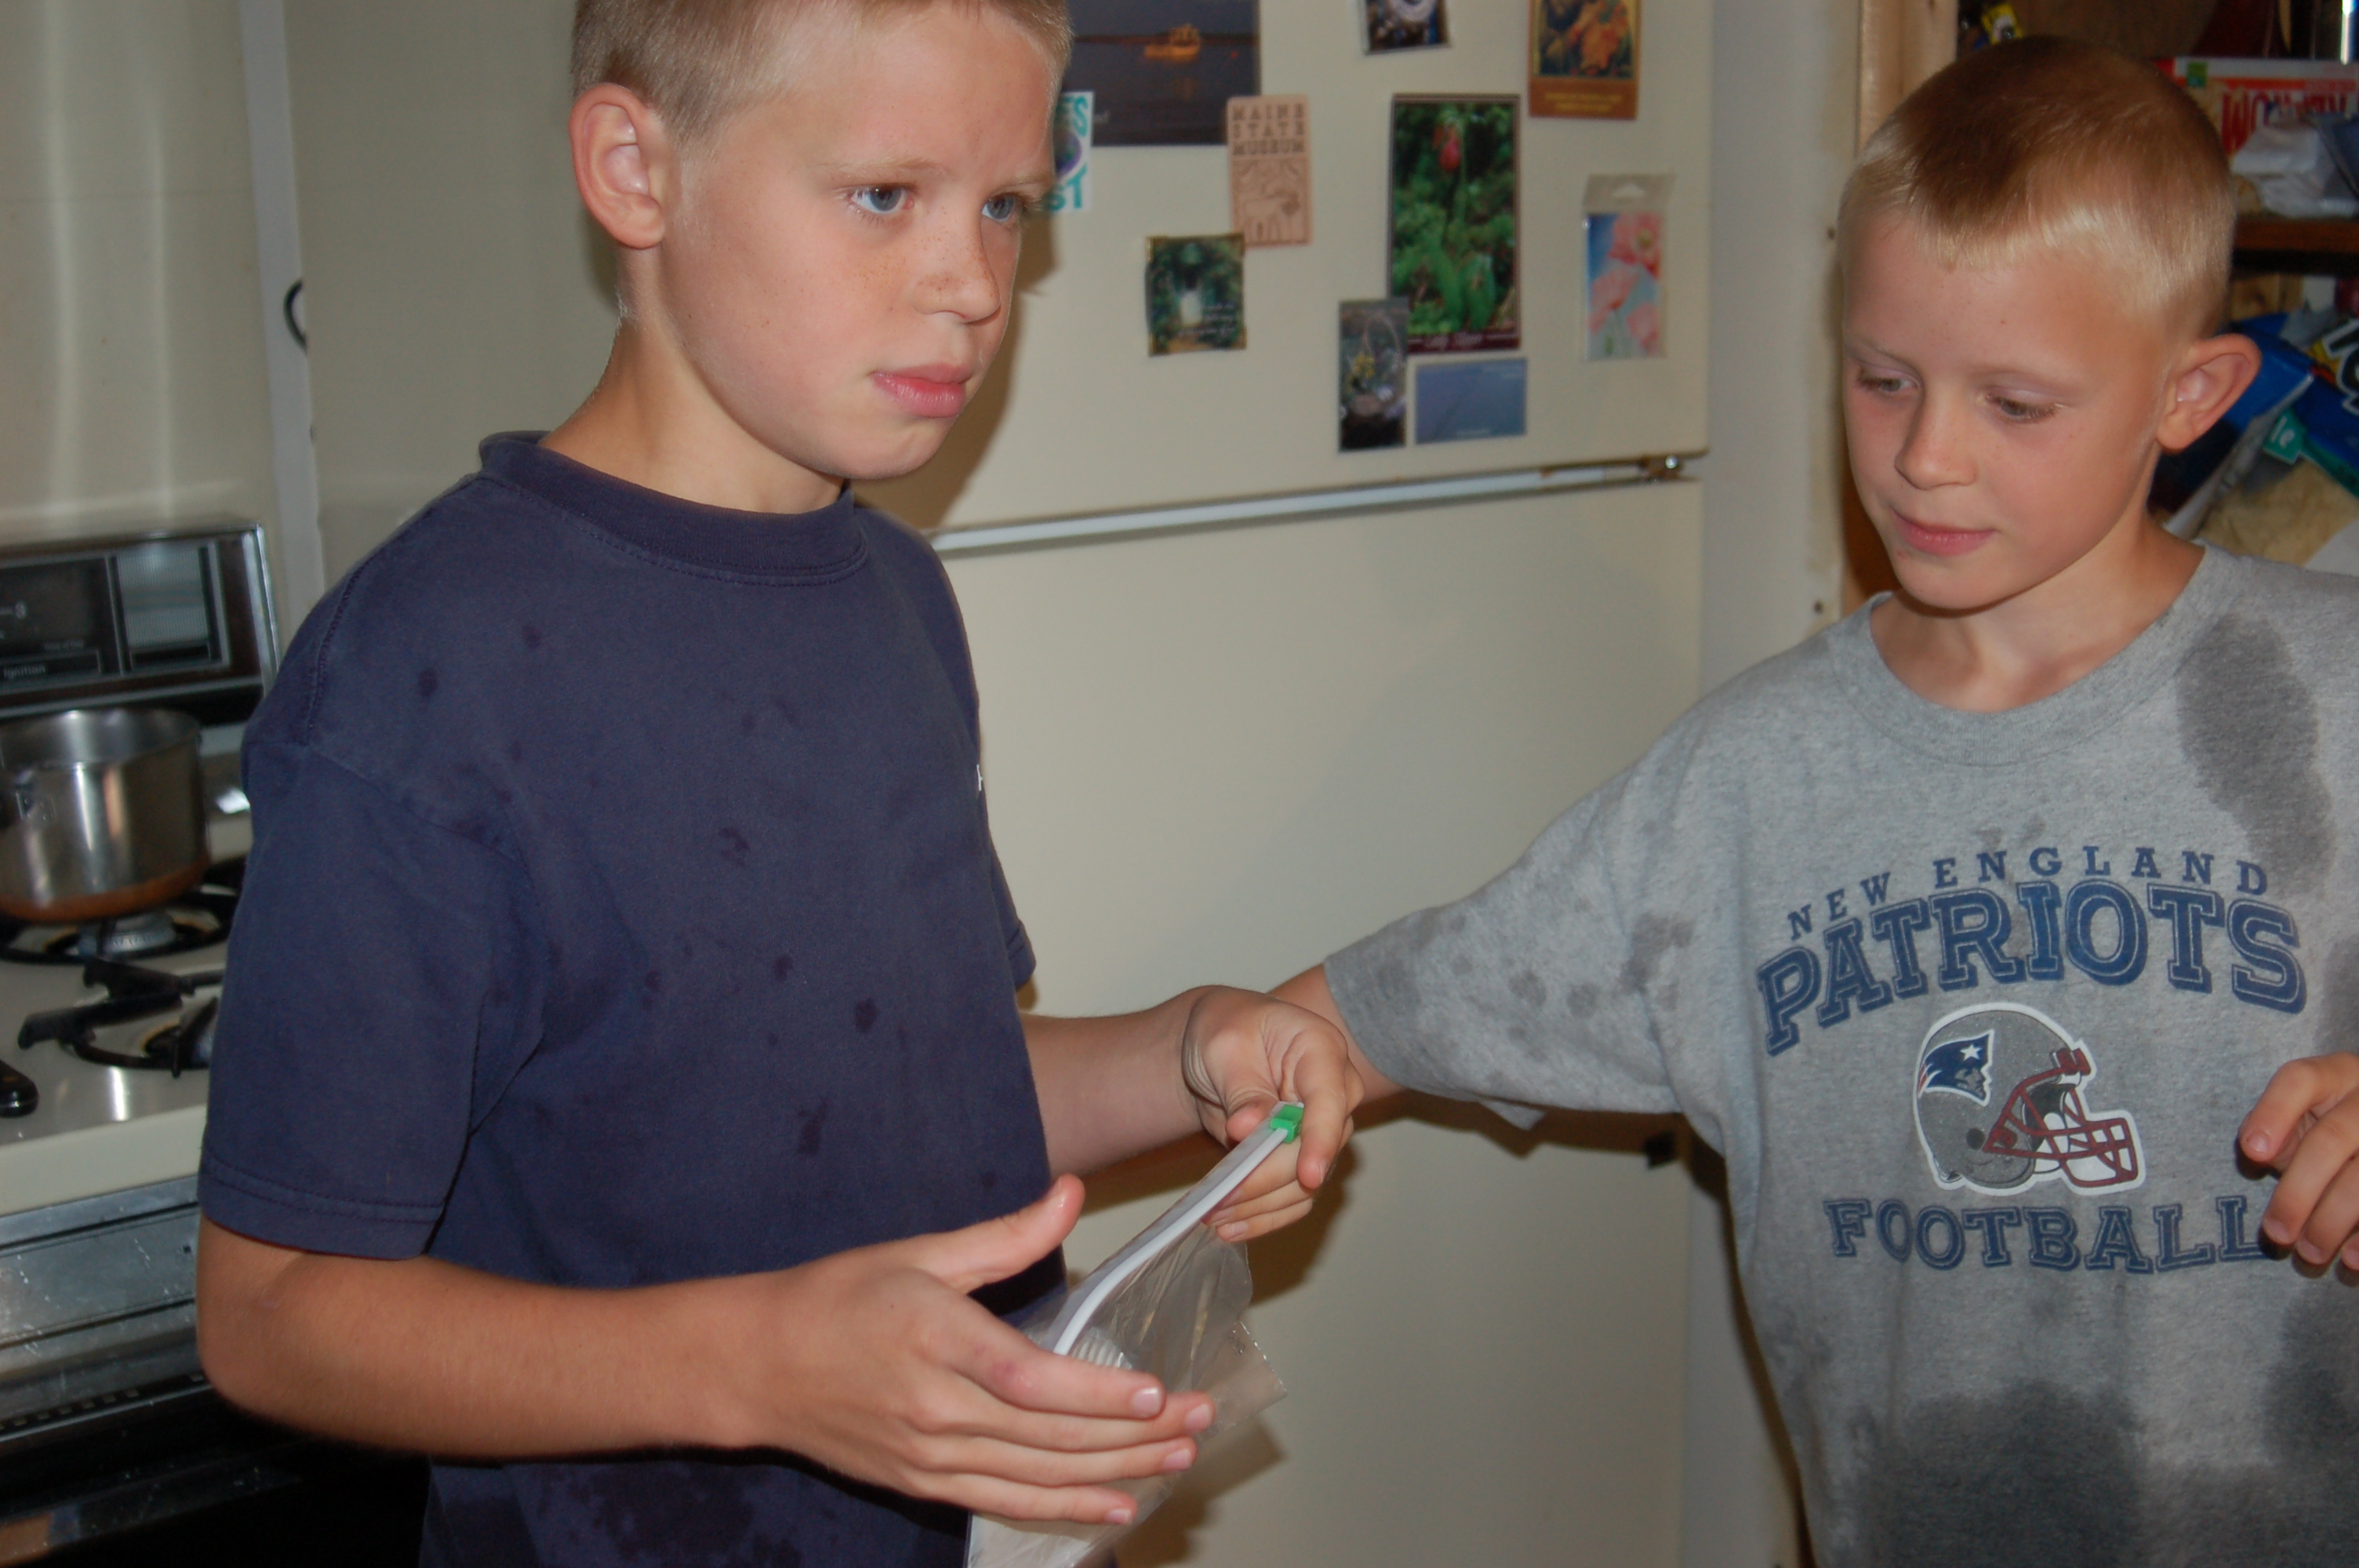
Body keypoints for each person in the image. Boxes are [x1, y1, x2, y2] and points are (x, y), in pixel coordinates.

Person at [191, 2, 1361, 1564]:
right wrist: (760, 1370)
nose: (974, 285)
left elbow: (919, 1091)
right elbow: (270, 1316)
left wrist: (1189, 1048)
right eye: (886, 194)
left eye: (1005, 206)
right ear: (635, 169)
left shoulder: (898, 599)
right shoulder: (425, 674)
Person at [1277, 37, 2359, 1563]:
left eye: (2016, 404)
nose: (1924, 456)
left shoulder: (2334, 692)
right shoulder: (1744, 781)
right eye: (1881, 379)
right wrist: (1173, 1080)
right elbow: (1363, 1020)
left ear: (2189, 394)